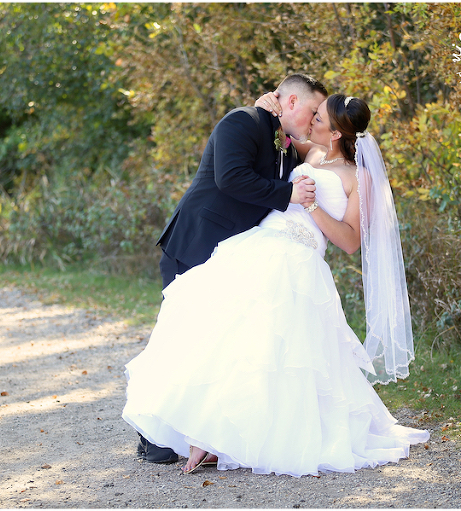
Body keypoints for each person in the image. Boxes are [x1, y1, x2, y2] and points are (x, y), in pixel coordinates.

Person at [123, 93, 429, 477]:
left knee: (272, 350)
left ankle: (229, 436)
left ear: (335, 133)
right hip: (258, 243)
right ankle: (207, 430)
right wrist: (264, 105)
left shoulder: (359, 177)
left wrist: (313, 207)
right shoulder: (310, 153)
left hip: (297, 258)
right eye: (313, 113)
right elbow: (276, 132)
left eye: (318, 118)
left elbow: (350, 241)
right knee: (225, 331)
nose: (311, 120)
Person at [139, 73, 328, 464]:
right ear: (290, 102)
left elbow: (323, 146)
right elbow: (230, 178)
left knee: (209, 344)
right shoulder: (241, 122)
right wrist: (287, 194)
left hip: (232, 256)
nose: (312, 121)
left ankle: (193, 429)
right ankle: (149, 433)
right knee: (177, 337)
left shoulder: (287, 146)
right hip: (195, 244)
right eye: (311, 111)